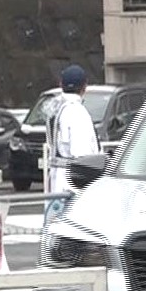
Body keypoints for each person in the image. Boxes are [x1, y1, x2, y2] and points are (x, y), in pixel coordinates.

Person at [47, 64, 101, 197]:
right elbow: (83, 156)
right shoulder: (77, 112)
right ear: (84, 86)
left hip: (57, 179)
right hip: (73, 184)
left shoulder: (55, 109)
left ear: (61, 84)